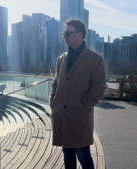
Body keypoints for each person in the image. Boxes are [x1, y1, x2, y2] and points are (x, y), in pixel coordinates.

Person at [50, 19, 106, 169]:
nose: (64, 36)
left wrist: (84, 106)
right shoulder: (62, 59)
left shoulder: (95, 59)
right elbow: (56, 83)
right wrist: (53, 102)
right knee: (67, 156)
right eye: (64, 33)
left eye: (67, 33)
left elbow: (99, 87)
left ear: (79, 35)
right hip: (62, 115)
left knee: (84, 156)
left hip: (79, 116)